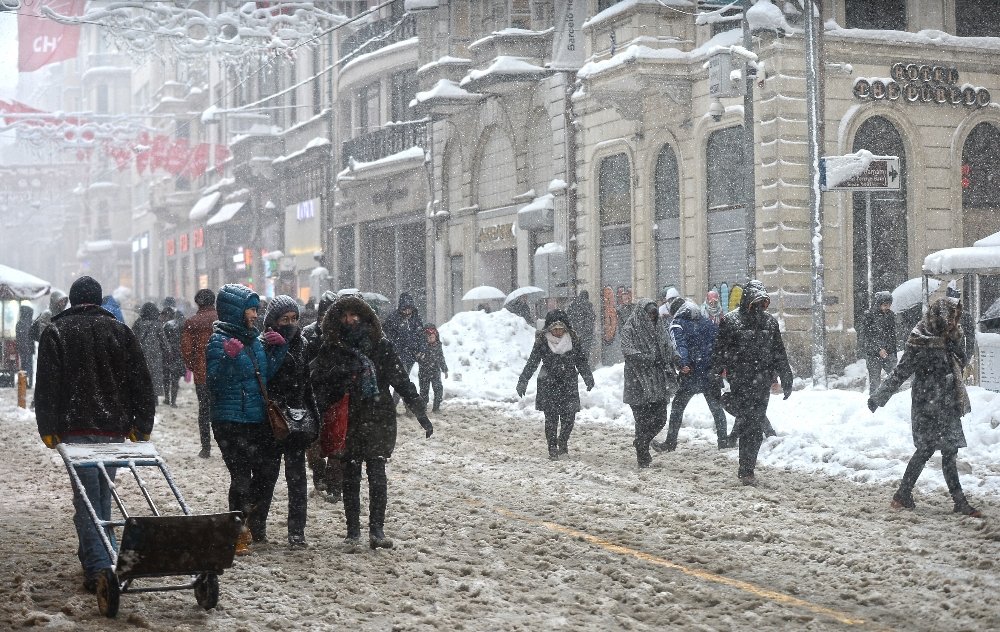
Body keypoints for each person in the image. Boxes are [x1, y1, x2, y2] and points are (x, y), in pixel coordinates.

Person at [34, 276, 155, 593]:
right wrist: (142, 424)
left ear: (72, 301)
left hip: (75, 429)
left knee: (89, 502)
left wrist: (47, 427)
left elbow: (46, 386)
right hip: (113, 428)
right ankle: (100, 556)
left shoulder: (57, 331)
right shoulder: (120, 331)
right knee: (101, 495)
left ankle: (99, 569)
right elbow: (141, 382)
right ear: (100, 301)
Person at [310, 294, 433, 550]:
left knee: (377, 475)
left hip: (378, 418)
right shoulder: (331, 348)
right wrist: (336, 381)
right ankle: (353, 532)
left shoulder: (381, 346)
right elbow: (317, 383)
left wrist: (420, 411)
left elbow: (401, 381)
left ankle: (377, 530)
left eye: (354, 314)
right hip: (348, 420)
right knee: (351, 476)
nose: (349, 320)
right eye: (344, 316)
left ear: (365, 316)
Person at [868, 297, 983, 518]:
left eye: (955, 318)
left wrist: (955, 348)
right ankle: (904, 494)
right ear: (939, 316)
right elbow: (901, 372)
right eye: (950, 318)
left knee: (950, 451)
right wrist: (879, 397)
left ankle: (956, 501)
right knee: (926, 450)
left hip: (948, 402)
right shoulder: (919, 340)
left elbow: (960, 361)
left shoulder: (951, 337)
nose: (953, 322)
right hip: (926, 403)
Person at [206, 284, 288, 554]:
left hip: (256, 420)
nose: (255, 314)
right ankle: (237, 531)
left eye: (255, 309)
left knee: (264, 475)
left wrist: (277, 352)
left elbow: (263, 377)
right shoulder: (218, 341)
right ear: (236, 312)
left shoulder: (253, 340)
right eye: (250, 309)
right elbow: (214, 383)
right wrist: (228, 359)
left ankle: (250, 522)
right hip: (229, 422)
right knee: (241, 477)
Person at [712, 280, 793, 486]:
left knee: (755, 426)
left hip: (762, 382)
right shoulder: (731, 322)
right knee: (750, 423)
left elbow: (779, 352)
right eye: (755, 302)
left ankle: (747, 468)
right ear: (747, 300)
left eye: (762, 302)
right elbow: (719, 351)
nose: (759, 306)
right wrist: (715, 375)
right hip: (740, 380)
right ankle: (746, 469)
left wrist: (786, 376)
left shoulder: (770, 323)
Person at [262, 295, 320, 549]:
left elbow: (307, 384)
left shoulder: (303, 344)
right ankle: (258, 526)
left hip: (296, 418)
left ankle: (297, 532)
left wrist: (313, 416)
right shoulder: (264, 344)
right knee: (267, 476)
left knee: (297, 479)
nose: (290, 323)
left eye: (294, 318)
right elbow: (263, 377)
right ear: (272, 321)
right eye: (284, 319)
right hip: (271, 419)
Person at [654, 296, 733, 451]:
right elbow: (718, 342)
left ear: (675, 311)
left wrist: (683, 363)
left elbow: (679, 345)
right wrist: (716, 365)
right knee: (716, 408)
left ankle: (670, 442)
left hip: (691, 373)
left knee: (678, 407)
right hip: (710, 373)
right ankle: (723, 441)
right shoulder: (705, 321)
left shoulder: (677, 324)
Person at [516, 310, 595, 459]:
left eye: (561, 329)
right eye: (555, 329)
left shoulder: (573, 340)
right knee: (551, 419)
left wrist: (588, 377)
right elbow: (532, 362)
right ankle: (552, 447)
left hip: (568, 383)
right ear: (549, 329)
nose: (558, 332)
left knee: (569, 418)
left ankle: (563, 443)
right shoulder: (542, 341)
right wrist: (523, 380)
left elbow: (581, 361)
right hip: (548, 383)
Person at [620, 298, 679, 468]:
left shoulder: (659, 327)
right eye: (649, 314)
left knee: (660, 418)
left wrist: (677, 359)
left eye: (654, 314)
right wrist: (651, 359)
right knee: (642, 421)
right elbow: (629, 352)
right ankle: (643, 455)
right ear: (641, 313)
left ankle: (641, 442)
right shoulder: (630, 328)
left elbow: (668, 347)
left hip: (657, 382)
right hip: (637, 382)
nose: (652, 317)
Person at [302, 290, 341, 502]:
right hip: (314, 397)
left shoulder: (345, 335)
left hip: (338, 396)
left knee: (337, 444)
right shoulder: (308, 335)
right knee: (314, 444)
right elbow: (302, 366)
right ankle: (319, 476)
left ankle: (335, 484)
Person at [181, 289, 218, 458]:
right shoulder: (222, 320)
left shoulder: (192, 322)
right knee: (222, 409)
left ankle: (206, 447)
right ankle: (226, 445)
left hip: (202, 374)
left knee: (204, 410)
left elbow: (187, 350)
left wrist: (194, 365)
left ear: (197, 302)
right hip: (223, 374)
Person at [382, 292, 425, 407]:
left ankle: (397, 404)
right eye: (405, 308)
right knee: (402, 380)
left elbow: (421, 336)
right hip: (398, 355)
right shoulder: (393, 319)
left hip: (411, 355)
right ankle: (405, 405)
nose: (407, 311)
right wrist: (394, 350)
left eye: (409, 308)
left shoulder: (416, 319)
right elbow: (387, 336)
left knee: (402, 381)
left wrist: (420, 349)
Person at [859, 291, 898, 392]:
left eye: (889, 305)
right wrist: (878, 349)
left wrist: (892, 353)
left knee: (895, 380)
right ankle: (874, 403)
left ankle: (893, 403)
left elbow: (892, 336)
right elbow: (866, 337)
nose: (888, 307)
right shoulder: (869, 316)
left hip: (888, 353)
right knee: (875, 382)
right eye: (885, 305)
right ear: (879, 304)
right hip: (873, 355)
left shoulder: (891, 316)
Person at [133, 302, 168, 403]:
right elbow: (163, 341)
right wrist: (168, 351)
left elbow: (132, 338)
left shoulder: (138, 323)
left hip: (140, 354)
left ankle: (143, 396)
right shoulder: (157, 325)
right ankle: (154, 399)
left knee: (142, 375)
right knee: (155, 377)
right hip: (155, 355)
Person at [417, 323, 448, 412]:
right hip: (424, 372)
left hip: (435, 371)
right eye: (428, 337)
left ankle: (436, 407)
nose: (430, 338)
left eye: (432, 336)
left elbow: (441, 358)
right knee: (424, 391)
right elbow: (417, 358)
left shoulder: (438, 346)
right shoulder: (422, 347)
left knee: (438, 389)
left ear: (436, 336)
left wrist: (445, 369)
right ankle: (423, 407)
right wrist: (420, 357)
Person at [162, 306, 186, 407]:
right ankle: (173, 401)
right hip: (179, 354)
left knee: (166, 377)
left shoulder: (167, 325)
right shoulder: (184, 325)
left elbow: (163, 340)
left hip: (168, 354)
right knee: (175, 379)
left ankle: (167, 398)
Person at [566, 290, 597, 369]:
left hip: (575, 333)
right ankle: (583, 367)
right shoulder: (588, 305)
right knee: (585, 351)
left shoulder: (573, 305)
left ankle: (575, 367)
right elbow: (592, 318)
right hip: (586, 333)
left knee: (575, 351)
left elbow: (568, 317)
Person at [15, 304, 34, 388]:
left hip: (23, 349)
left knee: (23, 366)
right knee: (29, 366)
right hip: (29, 348)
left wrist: (20, 347)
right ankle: (29, 383)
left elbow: (18, 337)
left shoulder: (19, 323)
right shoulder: (30, 323)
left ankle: (23, 382)